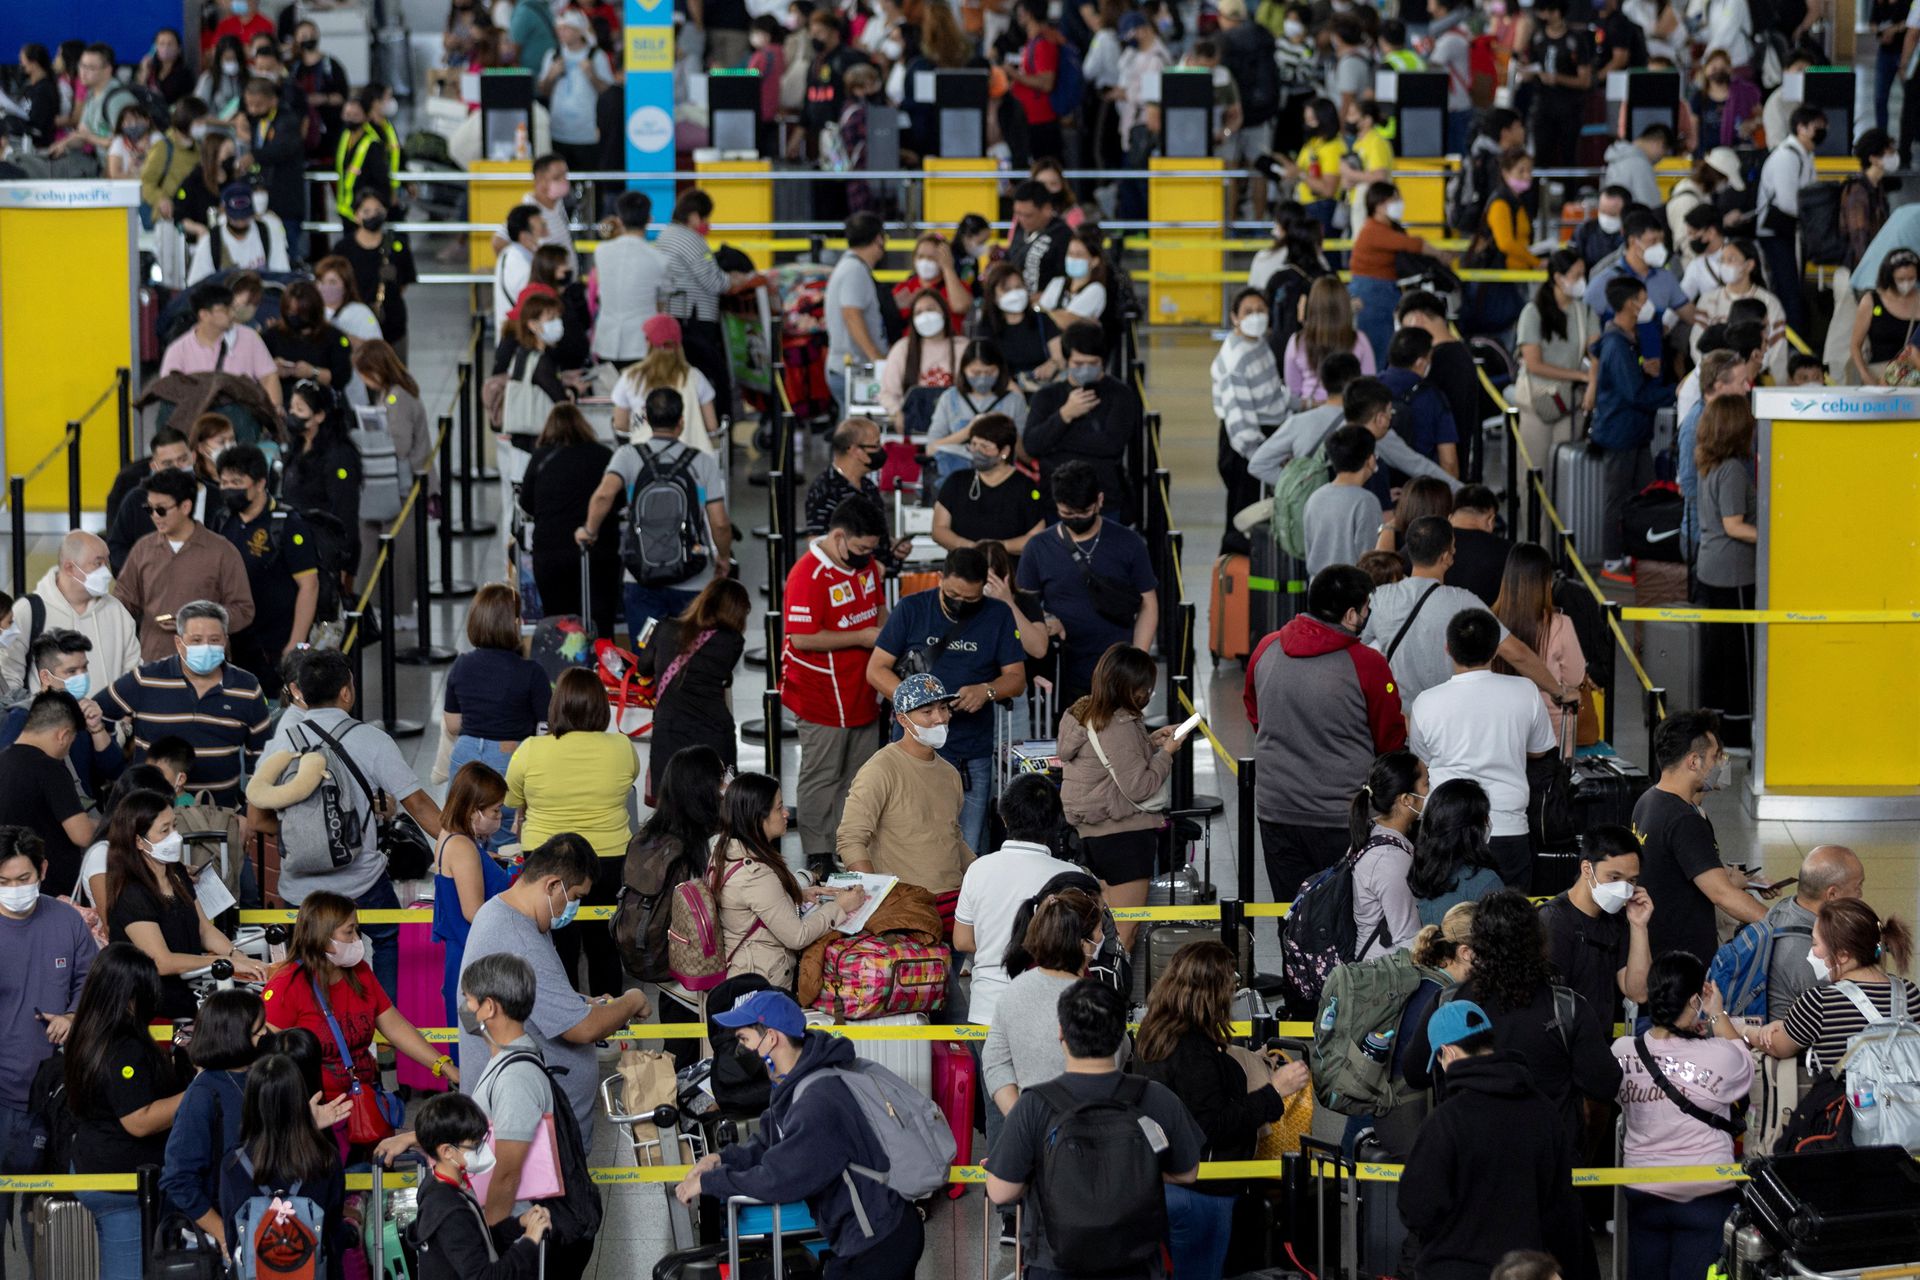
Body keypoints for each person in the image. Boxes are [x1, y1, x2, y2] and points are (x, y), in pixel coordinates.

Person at [675, 989, 926, 1275]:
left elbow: (779, 1179)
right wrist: (720, 1161)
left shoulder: (817, 1101)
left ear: (771, 1038)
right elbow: (769, 1141)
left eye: (743, 1039)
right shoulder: (794, 1083)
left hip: (880, 1241)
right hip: (867, 1232)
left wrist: (712, 1183)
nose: (739, 1050)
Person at [985, 978, 1202, 1278]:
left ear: (1061, 1033)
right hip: (1136, 1262)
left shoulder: (1034, 1104)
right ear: (1121, 1037)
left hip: (1055, 1264)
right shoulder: (1154, 1096)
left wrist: (1037, 1169)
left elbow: (999, 1191)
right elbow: (1188, 1172)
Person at [1405, 888, 1623, 1177]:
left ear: (1475, 947)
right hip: (1548, 1170)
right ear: (1540, 942)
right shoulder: (1567, 1008)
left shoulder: (1447, 1004)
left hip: (1472, 1167)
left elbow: (1415, 1073)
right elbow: (1605, 1086)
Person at [1131, 941, 1307, 1280]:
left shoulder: (1155, 1033)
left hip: (1164, 1180)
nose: (1233, 991)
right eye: (1231, 983)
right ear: (1213, 990)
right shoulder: (1193, 1050)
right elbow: (1213, 1125)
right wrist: (1276, 1091)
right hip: (1204, 1191)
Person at [458, 833, 650, 1130]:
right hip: (531, 1127)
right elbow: (582, 1029)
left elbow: (535, 997)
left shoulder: (505, 912)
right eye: (574, 897)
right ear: (551, 885)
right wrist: (632, 999)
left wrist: (583, 1003)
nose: (572, 908)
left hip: (530, 1115)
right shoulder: (520, 940)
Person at [1399, 996, 1589, 1280]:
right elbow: (1563, 1207)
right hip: (1526, 1271)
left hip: (1452, 1270)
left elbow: (1416, 1209)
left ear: (1447, 1054)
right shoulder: (1544, 1111)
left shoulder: (1446, 1120)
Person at [1246, 565, 1405, 903]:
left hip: (1277, 809)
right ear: (1351, 615)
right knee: (1346, 918)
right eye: (1366, 609)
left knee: (1292, 915)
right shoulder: (1368, 664)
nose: (1367, 616)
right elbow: (1389, 740)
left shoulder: (1266, 649)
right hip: (1342, 817)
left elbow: (1256, 714)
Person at [1611, 949, 1752, 1280]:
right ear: (1694, 1000)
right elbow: (1745, 1064)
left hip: (1643, 1192)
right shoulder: (1719, 1056)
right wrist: (1716, 1014)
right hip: (1705, 1194)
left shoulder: (1621, 1052)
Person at [503, 670, 635, 997]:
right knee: (604, 946)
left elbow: (511, 799)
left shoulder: (531, 749)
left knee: (557, 949)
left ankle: (565, 1025)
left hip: (547, 861)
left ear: (557, 706)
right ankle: (611, 1027)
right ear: (602, 707)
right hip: (609, 859)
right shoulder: (621, 747)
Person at [1408, 609, 1558, 888]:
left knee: (1448, 923)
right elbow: (1540, 750)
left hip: (1445, 828)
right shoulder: (1526, 690)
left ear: (1448, 649)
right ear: (1495, 651)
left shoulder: (1426, 702)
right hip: (1508, 826)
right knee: (1508, 924)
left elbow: (1422, 761)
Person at [780, 498, 889, 875]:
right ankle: (819, 850)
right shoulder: (806, 575)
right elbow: (802, 637)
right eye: (860, 549)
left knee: (859, 775)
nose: (866, 556)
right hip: (821, 694)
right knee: (823, 774)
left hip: (863, 690)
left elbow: (878, 610)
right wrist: (861, 636)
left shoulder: (869, 567)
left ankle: (851, 842)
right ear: (838, 537)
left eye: (871, 550)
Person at [1058, 646, 1194, 948]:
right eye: (1144, 686)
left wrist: (1148, 742)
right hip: (1124, 838)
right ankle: (1109, 993)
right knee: (1123, 933)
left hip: (1092, 834)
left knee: (1097, 929)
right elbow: (1141, 786)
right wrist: (1166, 753)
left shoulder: (1082, 712)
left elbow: (1107, 761)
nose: (1149, 692)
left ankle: (1091, 990)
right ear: (1127, 686)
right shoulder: (1119, 724)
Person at [66, 943, 184, 1280]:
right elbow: (139, 1120)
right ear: (131, 995)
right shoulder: (124, 1047)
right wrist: (195, 1094)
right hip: (120, 1182)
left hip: (93, 1162)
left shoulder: (88, 1031)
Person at [1363, 519, 1568, 710]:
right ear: (1446, 557)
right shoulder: (1463, 601)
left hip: (1400, 724)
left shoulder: (1379, 599)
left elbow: (1357, 649)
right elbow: (1516, 653)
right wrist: (1558, 692)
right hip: (1448, 723)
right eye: (1453, 547)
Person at [577, 386, 732, 637]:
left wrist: (589, 531)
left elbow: (604, 494)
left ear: (646, 419)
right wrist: (723, 558)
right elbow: (720, 523)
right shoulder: (703, 462)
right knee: (690, 653)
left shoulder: (627, 456)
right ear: (681, 422)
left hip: (641, 578)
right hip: (692, 578)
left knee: (646, 654)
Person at [101, 787, 262, 1019]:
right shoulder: (131, 894)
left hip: (192, 983)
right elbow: (162, 961)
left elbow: (203, 928)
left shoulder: (175, 871)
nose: (175, 836)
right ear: (139, 841)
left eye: (174, 826)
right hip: (153, 999)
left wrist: (237, 955)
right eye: (165, 830)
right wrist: (222, 962)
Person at [1016, 460, 1160, 713]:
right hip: (1063, 669)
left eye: (1083, 513)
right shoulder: (1038, 548)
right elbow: (1024, 606)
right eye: (1067, 514)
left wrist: (1138, 660)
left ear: (1100, 501)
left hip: (1117, 668)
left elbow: (1148, 603)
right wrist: (1045, 618)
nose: (1076, 519)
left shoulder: (1128, 543)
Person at [0, 822, 96, 1183]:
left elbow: (89, 980)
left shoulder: (68, 921)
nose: (13, 890)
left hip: (57, 1089)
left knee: (47, 1210)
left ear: (42, 870)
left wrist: (73, 1015)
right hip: (4, 1091)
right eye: (3, 882)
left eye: (22, 879)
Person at [160, 990, 288, 1252]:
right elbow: (178, 1180)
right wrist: (223, 1234)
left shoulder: (262, 1079)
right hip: (221, 1244)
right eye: (258, 1030)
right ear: (234, 1036)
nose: (267, 1035)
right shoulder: (204, 1094)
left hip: (266, 1230)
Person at [1634, 710, 1764, 964]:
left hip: (1656, 951)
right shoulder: (1683, 819)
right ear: (1694, 761)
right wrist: (1780, 926)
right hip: (1684, 961)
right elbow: (1722, 895)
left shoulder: (1648, 800)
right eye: (1715, 757)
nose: (1720, 764)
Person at [713, 772, 864, 989]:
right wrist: (839, 907)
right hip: (763, 984)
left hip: (745, 970)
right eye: (778, 808)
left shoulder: (725, 849)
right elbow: (797, 936)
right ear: (757, 817)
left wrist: (796, 894)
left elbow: (750, 904)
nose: (786, 813)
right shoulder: (755, 875)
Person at [955, 774, 1082, 1032]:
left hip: (987, 1010)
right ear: (1056, 822)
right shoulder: (1072, 878)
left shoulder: (978, 870)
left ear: (1003, 817)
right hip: (1052, 1013)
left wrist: (998, 945)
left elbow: (962, 941)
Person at [838, 674, 973, 908]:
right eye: (927, 712)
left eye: (943, 708)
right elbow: (850, 839)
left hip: (955, 899)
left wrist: (982, 872)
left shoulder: (950, 773)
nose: (940, 718)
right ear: (902, 719)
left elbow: (952, 835)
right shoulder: (880, 769)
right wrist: (877, 900)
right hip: (906, 902)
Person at [217, 1052, 348, 1280]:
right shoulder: (325, 1158)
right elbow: (333, 1227)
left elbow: (232, 1234)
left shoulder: (234, 1163)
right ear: (299, 1100)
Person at [1748, 898, 1918, 1071]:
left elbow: (1777, 1046)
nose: (1811, 951)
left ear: (1843, 955)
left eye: (1815, 943)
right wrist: (1790, 1024)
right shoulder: (1909, 992)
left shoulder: (1819, 1001)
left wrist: (1745, 1031)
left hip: (1844, 1098)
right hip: (1906, 1098)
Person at [407, 1089, 551, 1280]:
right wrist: (530, 1241)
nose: (483, 1151)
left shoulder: (444, 1184)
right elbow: (485, 1276)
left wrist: (519, 1224)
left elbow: (478, 1239)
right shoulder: (450, 1210)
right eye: (475, 1145)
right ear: (447, 1151)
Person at [212, 445, 318, 697]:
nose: (229, 489)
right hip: (235, 644)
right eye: (224, 482)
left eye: (237, 482)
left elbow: (309, 585)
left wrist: (295, 645)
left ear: (260, 483)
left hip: (275, 646)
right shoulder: (222, 520)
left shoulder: (286, 525)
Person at [443, 583, 549, 829]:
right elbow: (545, 729)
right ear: (514, 623)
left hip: (465, 755)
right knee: (505, 836)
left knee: (461, 829)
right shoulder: (532, 672)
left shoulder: (462, 665)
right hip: (510, 756)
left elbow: (451, 724)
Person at [1590, 276, 1677, 577]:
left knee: (1642, 491)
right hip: (1621, 433)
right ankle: (1612, 559)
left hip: (1636, 432)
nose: (1646, 303)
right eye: (1642, 297)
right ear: (1630, 303)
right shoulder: (1615, 343)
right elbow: (1633, 394)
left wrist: (1642, 368)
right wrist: (1672, 393)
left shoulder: (1626, 340)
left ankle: (1637, 549)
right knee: (1617, 497)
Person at [1023, 324, 1146, 527]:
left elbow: (1111, 445)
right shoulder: (1047, 396)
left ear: (1103, 361)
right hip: (1055, 501)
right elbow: (1032, 444)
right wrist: (1064, 415)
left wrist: (1057, 442)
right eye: (1078, 363)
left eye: (1092, 363)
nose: (1085, 369)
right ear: (1066, 361)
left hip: (1105, 500)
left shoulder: (1120, 395)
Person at [1537, 825, 1653, 1029]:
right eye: (1614, 877)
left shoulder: (1618, 919)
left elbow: (1638, 992)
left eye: (1632, 880)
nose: (1624, 888)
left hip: (1599, 1042)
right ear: (1586, 869)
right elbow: (1545, 1002)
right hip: (1563, 1044)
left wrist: (1639, 926)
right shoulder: (1554, 920)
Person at [1692, 398, 1759, 749]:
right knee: (1738, 659)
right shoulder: (1733, 469)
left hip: (1709, 569)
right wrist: (1775, 537)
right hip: (1733, 574)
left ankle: (1715, 730)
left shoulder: (1708, 465)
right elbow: (1734, 526)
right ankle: (1735, 732)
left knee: (1717, 658)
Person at [1, 528, 138, 699]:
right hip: (48, 723)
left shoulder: (117, 612)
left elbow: (133, 672)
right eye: (98, 563)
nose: (106, 572)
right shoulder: (28, 611)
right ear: (70, 568)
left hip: (107, 724)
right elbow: (9, 677)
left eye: (107, 562)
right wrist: (32, 717)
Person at [519, 405, 618, 637]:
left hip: (551, 553)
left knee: (558, 624)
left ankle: (563, 671)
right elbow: (617, 500)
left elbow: (526, 503)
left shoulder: (540, 457)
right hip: (598, 551)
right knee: (601, 623)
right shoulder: (604, 455)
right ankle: (603, 670)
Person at [654, 189, 750, 412]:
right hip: (694, 320)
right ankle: (718, 429)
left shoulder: (666, 235)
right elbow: (714, 282)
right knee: (714, 379)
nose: (708, 224)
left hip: (675, 317)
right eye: (706, 218)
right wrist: (737, 279)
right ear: (695, 216)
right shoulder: (692, 240)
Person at [432, 764, 513, 1026]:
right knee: (479, 1048)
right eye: (495, 810)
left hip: (464, 957)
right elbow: (473, 911)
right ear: (473, 810)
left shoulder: (449, 836)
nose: (499, 816)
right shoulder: (462, 847)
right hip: (475, 961)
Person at [1492, 542, 1589, 745]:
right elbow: (1575, 677)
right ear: (1546, 582)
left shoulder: (1490, 621)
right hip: (1551, 731)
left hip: (1501, 729)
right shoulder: (1560, 625)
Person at [1213, 288, 1289, 543]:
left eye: (1260, 310)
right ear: (1234, 317)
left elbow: (1272, 391)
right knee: (1244, 520)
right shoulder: (1235, 359)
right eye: (1248, 312)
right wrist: (1262, 460)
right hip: (1247, 447)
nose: (1255, 316)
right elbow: (1239, 421)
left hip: (1266, 437)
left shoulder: (1258, 344)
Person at [1760, 845, 1865, 1018]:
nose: (1860, 895)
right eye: (1858, 886)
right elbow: (1840, 1016)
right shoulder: (1811, 955)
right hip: (1796, 1041)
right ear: (1832, 894)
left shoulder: (1785, 908)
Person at [1344, 750, 1427, 959]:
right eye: (1426, 784)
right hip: (1385, 975)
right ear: (1407, 799)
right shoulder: (1390, 860)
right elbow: (1407, 938)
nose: (1429, 792)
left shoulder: (1373, 831)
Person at [280, 383, 363, 584]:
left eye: (300, 409)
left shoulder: (338, 456)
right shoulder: (297, 447)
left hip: (325, 551)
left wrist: (344, 562)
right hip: (297, 545)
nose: (292, 414)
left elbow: (345, 512)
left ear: (319, 416)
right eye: (291, 408)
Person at [931, 414, 1047, 554]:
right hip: (963, 568)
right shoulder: (957, 481)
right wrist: (970, 547)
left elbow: (1036, 537)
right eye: (973, 444)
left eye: (985, 447)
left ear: (1005, 451)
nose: (977, 451)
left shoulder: (1025, 487)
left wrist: (998, 548)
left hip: (1008, 569)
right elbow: (939, 529)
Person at [1754, 106, 1825, 334]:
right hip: (1776, 233)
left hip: (1790, 232)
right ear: (1801, 128)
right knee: (1788, 291)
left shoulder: (1805, 155)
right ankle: (1792, 343)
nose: (1823, 131)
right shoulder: (1786, 156)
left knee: (1793, 290)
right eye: (1818, 126)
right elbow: (1787, 203)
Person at [159, 280, 284, 406]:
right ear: (204, 315)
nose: (231, 314)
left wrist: (274, 411)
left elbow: (269, 378)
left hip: (243, 419)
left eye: (232, 308)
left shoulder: (250, 338)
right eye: (225, 310)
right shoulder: (178, 351)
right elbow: (168, 392)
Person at [925, 341, 1031, 486]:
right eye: (975, 373)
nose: (982, 378)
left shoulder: (1013, 401)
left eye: (989, 372)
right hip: (955, 479)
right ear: (963, 370)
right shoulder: (950, 398)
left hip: (1000, 478)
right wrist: (968, 431)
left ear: (1000, 370)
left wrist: (1005, 430)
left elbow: (1023, 453)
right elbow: (931, 447)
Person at [802, 419, 906, 565]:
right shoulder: (825, 489)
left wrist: (891, 545)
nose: (881, 450)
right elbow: (819, 545)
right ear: (855, 450)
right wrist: (868, 565)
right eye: (876, 445)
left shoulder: (868, 486)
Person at [1408, 781, 1505, 926]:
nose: (1488, 822)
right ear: (1472, 829)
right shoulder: (1485, 881)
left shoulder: (1421, 876)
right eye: (1484, 817)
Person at [824, 212, 893, 413]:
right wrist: (877, 359)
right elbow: (851, 315)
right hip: (855, 369)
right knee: (858, 435)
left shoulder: (853, 268)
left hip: (851, 368)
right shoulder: (854, 271)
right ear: (879, 239)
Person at [1347, 180, 1421, 362]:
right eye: (1394, 199)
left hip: (1381, 294)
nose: (1399, 204)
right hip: (1372, 296)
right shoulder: (1373, 230)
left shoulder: (1386, 229)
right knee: (1375, 355)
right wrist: (1441, 254)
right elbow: (1412, 244)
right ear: (1379, 205)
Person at [591, 191, 667, 369]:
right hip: (642, 343)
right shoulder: (659, 258)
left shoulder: (601, 251)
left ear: (619, 219)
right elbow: (662, 302)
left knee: (609, 395)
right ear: (650, 219)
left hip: (606, 340)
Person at [1300, 425, 1382, 577]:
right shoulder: (1366, 501)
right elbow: (1369, 560)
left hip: (1318, 589)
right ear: (1370, 460)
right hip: (1352, 592)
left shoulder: (1315, 497)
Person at [1288, 277, 1378, 406]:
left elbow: (1293, 391)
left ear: (1312, 305)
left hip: (1309, 412)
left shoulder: (1296, 341)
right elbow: (1369, 387)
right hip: (1349, 413)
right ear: (1345, 306)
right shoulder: (1359, 340)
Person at [1848, 249, 1920, 385]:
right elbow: (1855, 345)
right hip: (1878, 374)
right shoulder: (1871, 300)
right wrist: (1865, 375)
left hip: (1913, 377)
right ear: (1890, 276)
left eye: (1911, 278)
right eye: (1901, 279)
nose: (1906, 283)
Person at [1444, 487, 1512, 606]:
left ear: (1450, 517)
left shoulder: (1423, 545)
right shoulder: (1509, 553)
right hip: (1488, 622)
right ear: (1491, 520)